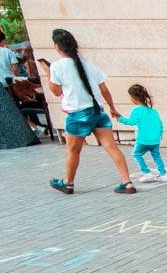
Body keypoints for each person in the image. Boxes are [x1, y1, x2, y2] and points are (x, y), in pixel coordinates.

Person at [38, 29, 135, 194]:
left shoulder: (57, 66)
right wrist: (112, 108)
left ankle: (68, 182)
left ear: (56, 46)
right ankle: (127, 182)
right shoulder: (88, 64)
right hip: (98, 111)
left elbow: (56, 91)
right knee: (112, 147)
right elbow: (104, 90)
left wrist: (48, 72)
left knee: (73, 151)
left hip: (77, 114)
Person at [117, 83, 167, 182]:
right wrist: (160, 134)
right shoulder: (153, 111)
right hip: (155, 139)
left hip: (143, 139)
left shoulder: (136, 110)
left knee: (136, 154)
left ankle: (146, 172)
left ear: (134, 98)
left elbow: (131, 122)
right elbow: (160, 124)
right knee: (157, 156)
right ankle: (163, 174)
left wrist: (120, 118)